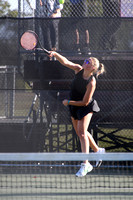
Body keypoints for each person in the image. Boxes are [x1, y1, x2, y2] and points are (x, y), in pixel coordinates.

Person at [49, 51, 105, 177]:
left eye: (89, 61)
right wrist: (55, 54)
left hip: (85, 107)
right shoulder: (78, 69)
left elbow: (85, 102)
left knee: (81, 132)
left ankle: (85, 164)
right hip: (74, 106)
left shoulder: (92, 82)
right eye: (87, 59)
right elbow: (65, 62)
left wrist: (68, 102)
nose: (86, 61)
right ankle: (98, 150)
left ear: (93, 68)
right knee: (81, 133)